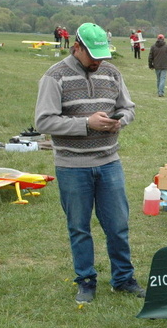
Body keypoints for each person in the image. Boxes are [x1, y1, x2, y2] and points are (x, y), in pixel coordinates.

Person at [34, 22, 144, 304]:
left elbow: (127, 108)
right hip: (72, 166)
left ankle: (123, 279)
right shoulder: (54, 76)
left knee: (118, 225)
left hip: (109, 163)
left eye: (102, 55)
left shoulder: (112, 72)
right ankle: (85, 280)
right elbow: (43, 121)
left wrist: (119, 122)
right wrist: (87, 123)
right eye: (92, 55)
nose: (98, 61)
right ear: (77, 47)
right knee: (79, 227)